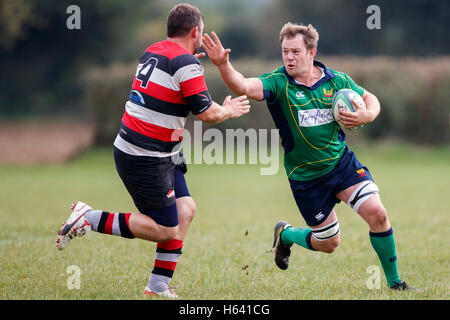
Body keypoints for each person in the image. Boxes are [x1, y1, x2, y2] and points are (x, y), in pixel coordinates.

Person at [56, 3, 250, 298]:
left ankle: (157, 287)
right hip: (144, 155)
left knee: (186, 210)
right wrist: (229, 110)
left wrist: (190, 63)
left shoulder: (154, 51)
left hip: (160, 151)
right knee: (165, 229)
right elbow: (207, 114)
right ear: (195, 31)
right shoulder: (185, 63)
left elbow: (170, 84)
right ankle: (89, 217)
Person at [201, 22, 413, 290]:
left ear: (311, 52)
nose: (289, 57)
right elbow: (243, 85)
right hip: (306, 177)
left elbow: (371, 99)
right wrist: (222, 65)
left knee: (378, 214)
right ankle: (286, 234)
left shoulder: (337, 81)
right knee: (329, 244)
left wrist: (367, 114)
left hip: (341, 164)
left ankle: (396, 284)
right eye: (285, 52)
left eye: (295, 52)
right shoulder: (278, 83)